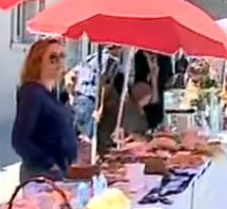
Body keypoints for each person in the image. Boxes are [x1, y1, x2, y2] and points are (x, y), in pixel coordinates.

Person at [11, 38, 78, 182]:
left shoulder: (52, 93)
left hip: (58, 173)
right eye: (53, 58)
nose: (59, 63)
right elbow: (20, 139)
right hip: (41, 175)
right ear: (38, 62)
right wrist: (48, 163)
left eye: (62, 56)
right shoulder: (32, 92)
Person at [94, 75, 153, 155]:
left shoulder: (133, 107)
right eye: (147, 99)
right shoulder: (130, 110)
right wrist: (147, 139)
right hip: (111, 145)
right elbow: (132, 133)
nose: (148, 102)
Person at [71, 45, 122, 137]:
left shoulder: (91, 58)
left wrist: (72, 96)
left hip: (79, 99)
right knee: (86, 139)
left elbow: (71, 75)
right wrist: (100, 107)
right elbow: (103, 83)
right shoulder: (111, 60)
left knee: (75, 136)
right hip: (91, 101)